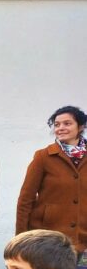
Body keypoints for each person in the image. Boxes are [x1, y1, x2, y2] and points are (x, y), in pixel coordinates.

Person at [17, 105, 87, 252]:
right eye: (57, 124)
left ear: (80, 127)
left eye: (67, 123)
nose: (60, 128)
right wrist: (21, 238)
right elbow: (25, 199)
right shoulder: (43, 156)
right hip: (47, 238)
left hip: (80, 238)